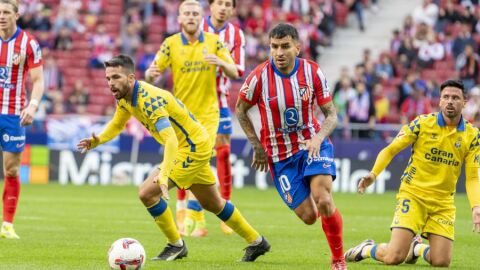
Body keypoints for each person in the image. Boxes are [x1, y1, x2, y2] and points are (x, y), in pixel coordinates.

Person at [77, 54, 270, 262]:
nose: (111, 83)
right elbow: (117, 123)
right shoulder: (124, 98)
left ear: (131, 78)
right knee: (213, 203)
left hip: (192, 147)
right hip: (194, 144)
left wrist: (164, 174)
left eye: (116, 77)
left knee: (147, 193)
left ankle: (176, 245)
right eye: (108, 79)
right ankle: (257, 242)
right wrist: (98, 141)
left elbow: (170, 141)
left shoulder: (148, 100)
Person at [235, 23, 347, 270]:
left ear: (298, 47)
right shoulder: (259, 77)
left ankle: (339, 259)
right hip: (280, 156)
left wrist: (318, 138)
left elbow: (331, 115)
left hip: (311, 146)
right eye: (274, 47)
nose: (279, 52)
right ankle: (328, 223)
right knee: (309, 217)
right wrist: (257, 146)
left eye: (285, 46)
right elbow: (240, 110)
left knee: (324, 199)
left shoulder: (312, 72)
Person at [345, 79, 480, 267]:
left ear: (464, 102)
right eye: (446, 97)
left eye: (455, 98)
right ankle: (367, 248)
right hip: (414, 195)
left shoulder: (472, 136)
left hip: (443, 202)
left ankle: (416, 248)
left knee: (441, 261)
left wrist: (476, 207)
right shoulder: (422, 124)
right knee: (394, 257)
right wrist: (373, 174)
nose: (450, 101)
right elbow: (391, 149)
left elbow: (473, 177)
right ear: (439, 101)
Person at [145, 0, 239, 237]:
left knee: (200, 158)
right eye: (186, 13)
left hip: (208, 114)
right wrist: (150, 73)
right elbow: (152, 73)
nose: (190, 17)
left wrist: (221, 63)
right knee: (189, 163)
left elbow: (235, 71)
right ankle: (196, 214)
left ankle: (192, 215)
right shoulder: (170, 44)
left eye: (195, 13)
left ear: (201, 17)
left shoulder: (214, 42)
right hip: (181, 116)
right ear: (179, 18)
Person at [200, 0, 246, 235]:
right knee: (191, 152)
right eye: (219, 2)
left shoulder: (235, 34)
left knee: (224, 149)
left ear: (232, 9)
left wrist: (221, 62)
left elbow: (239, 71)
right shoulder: (196, 27)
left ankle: (226, 210)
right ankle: (187, 212)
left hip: (219, 100)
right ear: (210, 6)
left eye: (228, 4)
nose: (223, 7)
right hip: (193, 101)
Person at [0, 0, 44, 239]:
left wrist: (33, 105)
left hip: (13, 114)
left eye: (6, 12)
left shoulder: (29, 43)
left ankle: (7, 224)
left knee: (11, 169)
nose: (2, 16)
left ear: (17, 15)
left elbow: (38, 80)